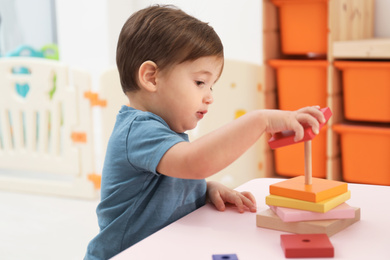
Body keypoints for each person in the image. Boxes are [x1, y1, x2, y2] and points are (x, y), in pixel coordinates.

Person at [85, 5, 325, 260]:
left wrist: (203, 189)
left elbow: (170, 180)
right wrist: (260, 120)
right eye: (200, 82)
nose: (209, 97)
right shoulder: (138, 130)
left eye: (212, 86)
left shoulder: (165, 129)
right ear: (152, 77)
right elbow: (193, 162)